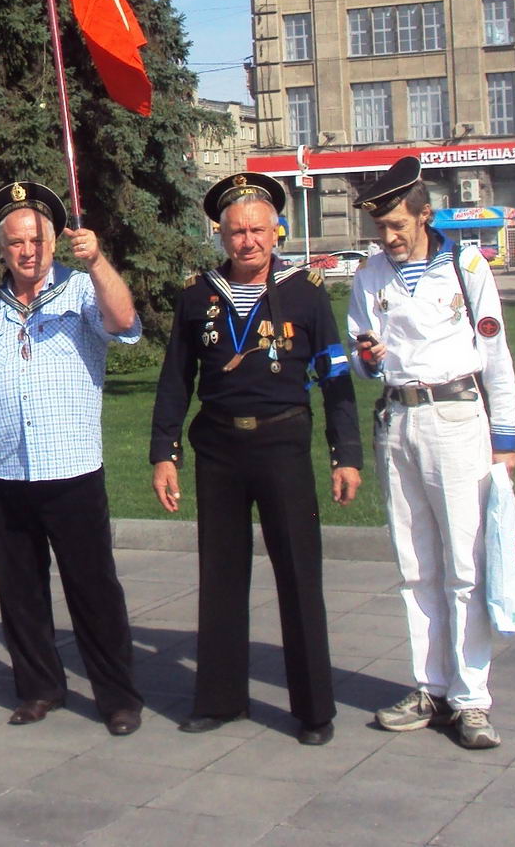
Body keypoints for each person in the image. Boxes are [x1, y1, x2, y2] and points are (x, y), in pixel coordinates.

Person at [150, 173, 361, 745]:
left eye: (258, 231)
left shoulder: (306, 292)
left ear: (276, 232)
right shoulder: (198, 294)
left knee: (299, 575)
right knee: (220, 575)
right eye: (237, 232)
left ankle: (314, 710)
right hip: (218, 449)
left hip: (282, 445)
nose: (248, 242)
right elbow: (175, 380)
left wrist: (345, 454)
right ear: (221, 236)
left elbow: (335, 377)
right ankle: (221, 700)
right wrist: (164, 452)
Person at [0, 182, 144, 736]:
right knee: (20, 591)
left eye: (36, 240)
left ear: (54, 242)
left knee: (93, 589)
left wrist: (97, 260)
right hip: (3, 473)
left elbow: (123, 321)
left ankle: (118, 698)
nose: (27, 251)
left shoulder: (80, 292)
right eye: (16, 242)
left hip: (71, 471)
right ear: (2, 249)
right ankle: (39, 688)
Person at [347, 155, 515, 750]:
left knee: (465, 565)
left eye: (398, 225)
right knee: (415, 563)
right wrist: (365, 358)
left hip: (456, 417)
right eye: (381, 228)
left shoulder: (466, 266)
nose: (389, 237)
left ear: (425, 215)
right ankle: (432, 686)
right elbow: (360, 351)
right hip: (398, 419)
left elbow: (495, 356)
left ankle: (471, 697)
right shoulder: (371, 274)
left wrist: (506, 440)